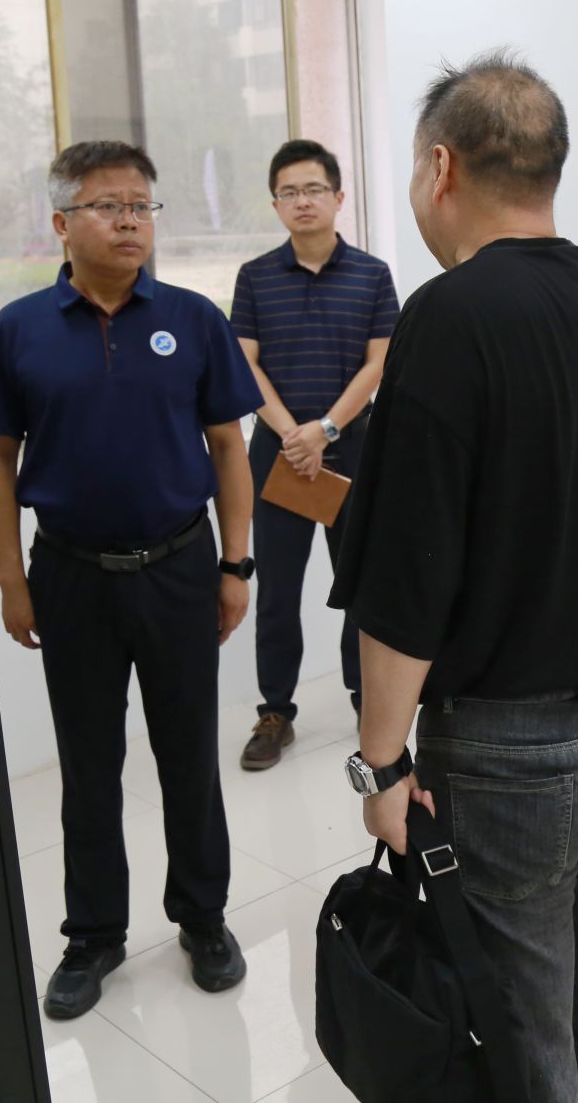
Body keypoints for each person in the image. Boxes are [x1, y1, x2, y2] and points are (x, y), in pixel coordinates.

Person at [329, 51, 578, 1102]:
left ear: (440, 166)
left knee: (527, 1039)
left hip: (512, 759)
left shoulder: (448, 315)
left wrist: (381, 769)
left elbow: (408, 574)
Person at [0, 140, 263, 1019]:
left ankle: (203, 917)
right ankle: (93, 934)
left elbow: (229, 448)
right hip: (71, 575)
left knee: (188, 755)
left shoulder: (193, 318)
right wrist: (10, 582)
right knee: (89, 764)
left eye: (141, 205)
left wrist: (236, 562)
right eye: (108, 205)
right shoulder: (18, 329)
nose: (130, 220)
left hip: (179, 567)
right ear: (62, 222)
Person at [229, 139, 398, 769]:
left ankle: (365, 697)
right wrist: (293, 435)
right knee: (277, 589)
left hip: (353, 448)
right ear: (276, 204)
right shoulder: (255, 277)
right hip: (278, 455)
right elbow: (244, 364)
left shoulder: (372, 274)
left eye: (314, 189)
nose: (303, 201)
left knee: (361, 584)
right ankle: (275, 712)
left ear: (338, 197)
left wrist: (324, 429)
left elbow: (380, 362)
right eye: (290, 192)